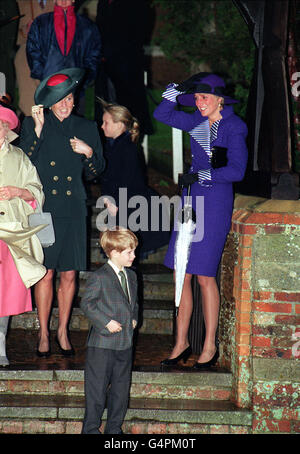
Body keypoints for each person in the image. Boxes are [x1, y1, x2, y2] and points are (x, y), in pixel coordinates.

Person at [153, 73, 248, 369]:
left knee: (205, 276)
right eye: (196, 98)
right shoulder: (196, 121)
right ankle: (180, 342)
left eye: (204, 97)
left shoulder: (234, 126)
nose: (199, 102)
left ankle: (209, 345)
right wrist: (174, 91)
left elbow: (237, 171)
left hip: (216, 202)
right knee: (181, 273)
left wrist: (204, 175)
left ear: (220, 99)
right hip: (190, 200)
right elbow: (162, 113)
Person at [19, 67, 105, 358]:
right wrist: (39, 131)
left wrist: (89, 153)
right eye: (61, 100)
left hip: (73, 207)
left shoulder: (86, 128)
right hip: (43, 209)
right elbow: (24, 164)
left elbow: (96, 172)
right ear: (50, 102)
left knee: (69, 274)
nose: (67, 104)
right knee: (45, 273)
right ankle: (43, 332)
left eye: (70, 98)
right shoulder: (33, 124)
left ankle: (62, 331)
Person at [81, 227, 138, 434]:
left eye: (133, 251)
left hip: (125, 342)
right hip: (102, 344)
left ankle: (114, 429)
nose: (133, 256)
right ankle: (90, 429)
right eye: (129, 252)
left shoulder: (131, 276)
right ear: (114, 253)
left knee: (121, 390)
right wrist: (106, 322)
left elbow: (134, 303)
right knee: (96, 390)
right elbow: (87, 304)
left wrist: (133, 318)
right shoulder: (100, 277)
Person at [0, 103, 46, 366]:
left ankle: (1, 343)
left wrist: (17, 192)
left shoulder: (19, 157)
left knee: (4, 293)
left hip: (10, 234)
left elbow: (36, 191)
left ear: (6, 129)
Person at [99, 99, 170, 260]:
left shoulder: (126, 148)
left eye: (106, 122)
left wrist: (114, 202)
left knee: (124, 255)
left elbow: (128, 179)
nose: (102, 126)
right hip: (124, 206)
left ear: (119, 124)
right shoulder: (115, 146)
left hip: (130, 208)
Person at [26, 0, 101, 114]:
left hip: (76, 85)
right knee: (49, 122)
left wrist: (86, 77)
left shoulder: (87, 26)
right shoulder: (41, 23)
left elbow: (94, 53)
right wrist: (42, 74)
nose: (64, 1)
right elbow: (32, 50)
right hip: (49, 85)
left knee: (74, 121)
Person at [95, 0, 153, 136]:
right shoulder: (103, 3)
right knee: (106, 105)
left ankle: (131, 138)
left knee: (130, 107)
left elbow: (141, 31)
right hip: (105, 65)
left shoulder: (136, 4)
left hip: (128, 64)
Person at [15, 0, 54, 117]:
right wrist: (25, 32)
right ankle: (32, 127)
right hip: (27, 54)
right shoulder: (19, 3)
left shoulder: (62, 2)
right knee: (29, 104)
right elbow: (10, 34)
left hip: (54, 55)